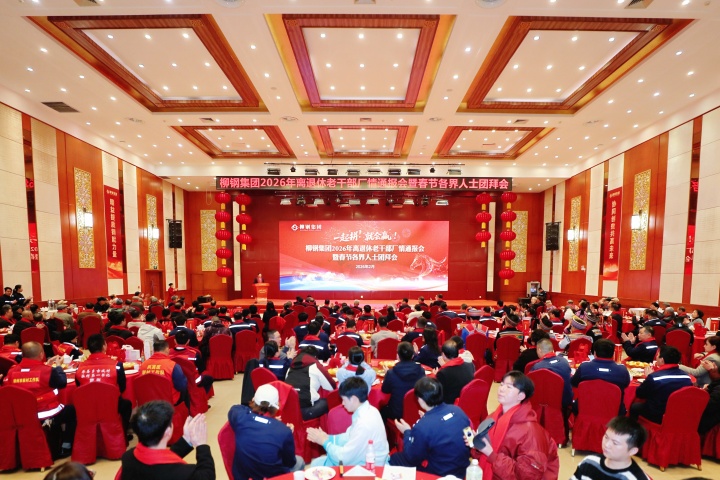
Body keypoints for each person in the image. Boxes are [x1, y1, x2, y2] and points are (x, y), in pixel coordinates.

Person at [467, 371, 559, 479]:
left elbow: (527, 476)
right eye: (501, 384)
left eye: (509, 387)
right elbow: (480, 455)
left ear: (521, 396)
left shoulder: (531, 433)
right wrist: (477, 446)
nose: (501, 389)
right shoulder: (493, 418)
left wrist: (491, 454)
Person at [388, 377, 471, 478]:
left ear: (420, 400)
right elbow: (470, 440)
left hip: (439, 474)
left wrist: (407, 431)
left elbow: (411, 458)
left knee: (395, 458)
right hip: (463, 470)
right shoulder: (458, 411)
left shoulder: (422, 426)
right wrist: (428, 419)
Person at [5, 341, 76, 457]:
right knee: (72, 411)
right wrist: (58, 367)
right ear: (41, 354)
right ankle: (66, 446)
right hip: (45, 413)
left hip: (21, 414)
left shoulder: (11, 372)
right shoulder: (48, 371)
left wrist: (46, 364)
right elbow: (62, 383)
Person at [118, 401, 214, 480]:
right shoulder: (181, 473)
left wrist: (186, 439)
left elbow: (159, 460)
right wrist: (201, 445)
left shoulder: (128, 457)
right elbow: (207, 476)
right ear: (168, 431)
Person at [307, 376, 389, 467]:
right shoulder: (370, 410)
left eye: (344, 400)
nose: (342, 403)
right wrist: (328, 437)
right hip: (365, 457)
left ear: (353, 399)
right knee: (317, 462)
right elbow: (349, 435)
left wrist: (324, 442)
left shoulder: (364, 423)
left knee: (317, 466)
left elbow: (343, 459)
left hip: (370, 466)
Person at [229, 384, 303, 480]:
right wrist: (277, 425)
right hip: (272, 477)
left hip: (243, 475)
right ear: (276, 406)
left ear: (253, 400)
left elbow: (236, 408)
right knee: (299, 461)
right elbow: (289, 462)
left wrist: (265, 417)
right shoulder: (284, 431)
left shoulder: (240, 417)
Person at [76, 334, 133, 433]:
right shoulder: (117, 365)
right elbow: (122, 387)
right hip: (111, 404)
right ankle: (123, 433)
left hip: (87, 406)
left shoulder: (79, 367)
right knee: (127, 404)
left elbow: (79, 387)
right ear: (104, 346)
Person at [571, 416, 651, 480]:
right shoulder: (589, 462)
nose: (607, 444)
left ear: (633, 451)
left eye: (615, 443)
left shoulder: (635, 478)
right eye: (606, 437)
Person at [630, 345, 693, 424]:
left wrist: (648, 377)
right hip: (679, 413)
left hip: (658, 414)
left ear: (662, 360)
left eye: (657, 355)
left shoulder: (654, 377)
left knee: (634, 407)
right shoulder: (687, 377)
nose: (656, 357)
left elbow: (640, 394)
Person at [571, 338, 631, 414]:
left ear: (595, 352)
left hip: (586, 408)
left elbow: (574, 383)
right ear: (613, 353)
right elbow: (626, 385)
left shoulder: (584, 367)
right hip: (614, 412)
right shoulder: (622, 370)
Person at [285, 346, 336, 420]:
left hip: (289, 409)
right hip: (305, 411)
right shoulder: (315, 365)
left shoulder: (290, 367)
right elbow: (331, 386)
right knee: (328, 402)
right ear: (315, 357)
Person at [380, 341, 427, 421]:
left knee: (381, 410)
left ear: (398, 356)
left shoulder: (391, 373)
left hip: (397, 413)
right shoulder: (421, 371)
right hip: (417, 411)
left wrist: (387, 375)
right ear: (413, 355)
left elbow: (385, 390)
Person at [140, 340, 189, 406]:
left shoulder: (143, 365)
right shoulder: (173, 366)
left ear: (154, 350)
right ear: (167, 349)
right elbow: (181, 386)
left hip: (148, 401)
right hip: (168, 401)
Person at [531, 339, 573, 409]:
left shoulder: (537, 367)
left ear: (539, 350)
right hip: (566, 400)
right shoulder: (564, 361)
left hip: (546, 404)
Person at [436, 339, 475, 404]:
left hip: (450, 405)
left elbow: (438, 395)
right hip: (467, 402)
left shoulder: (443, 373)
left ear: (443, 355)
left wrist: (436, 375)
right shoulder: (470, 365)